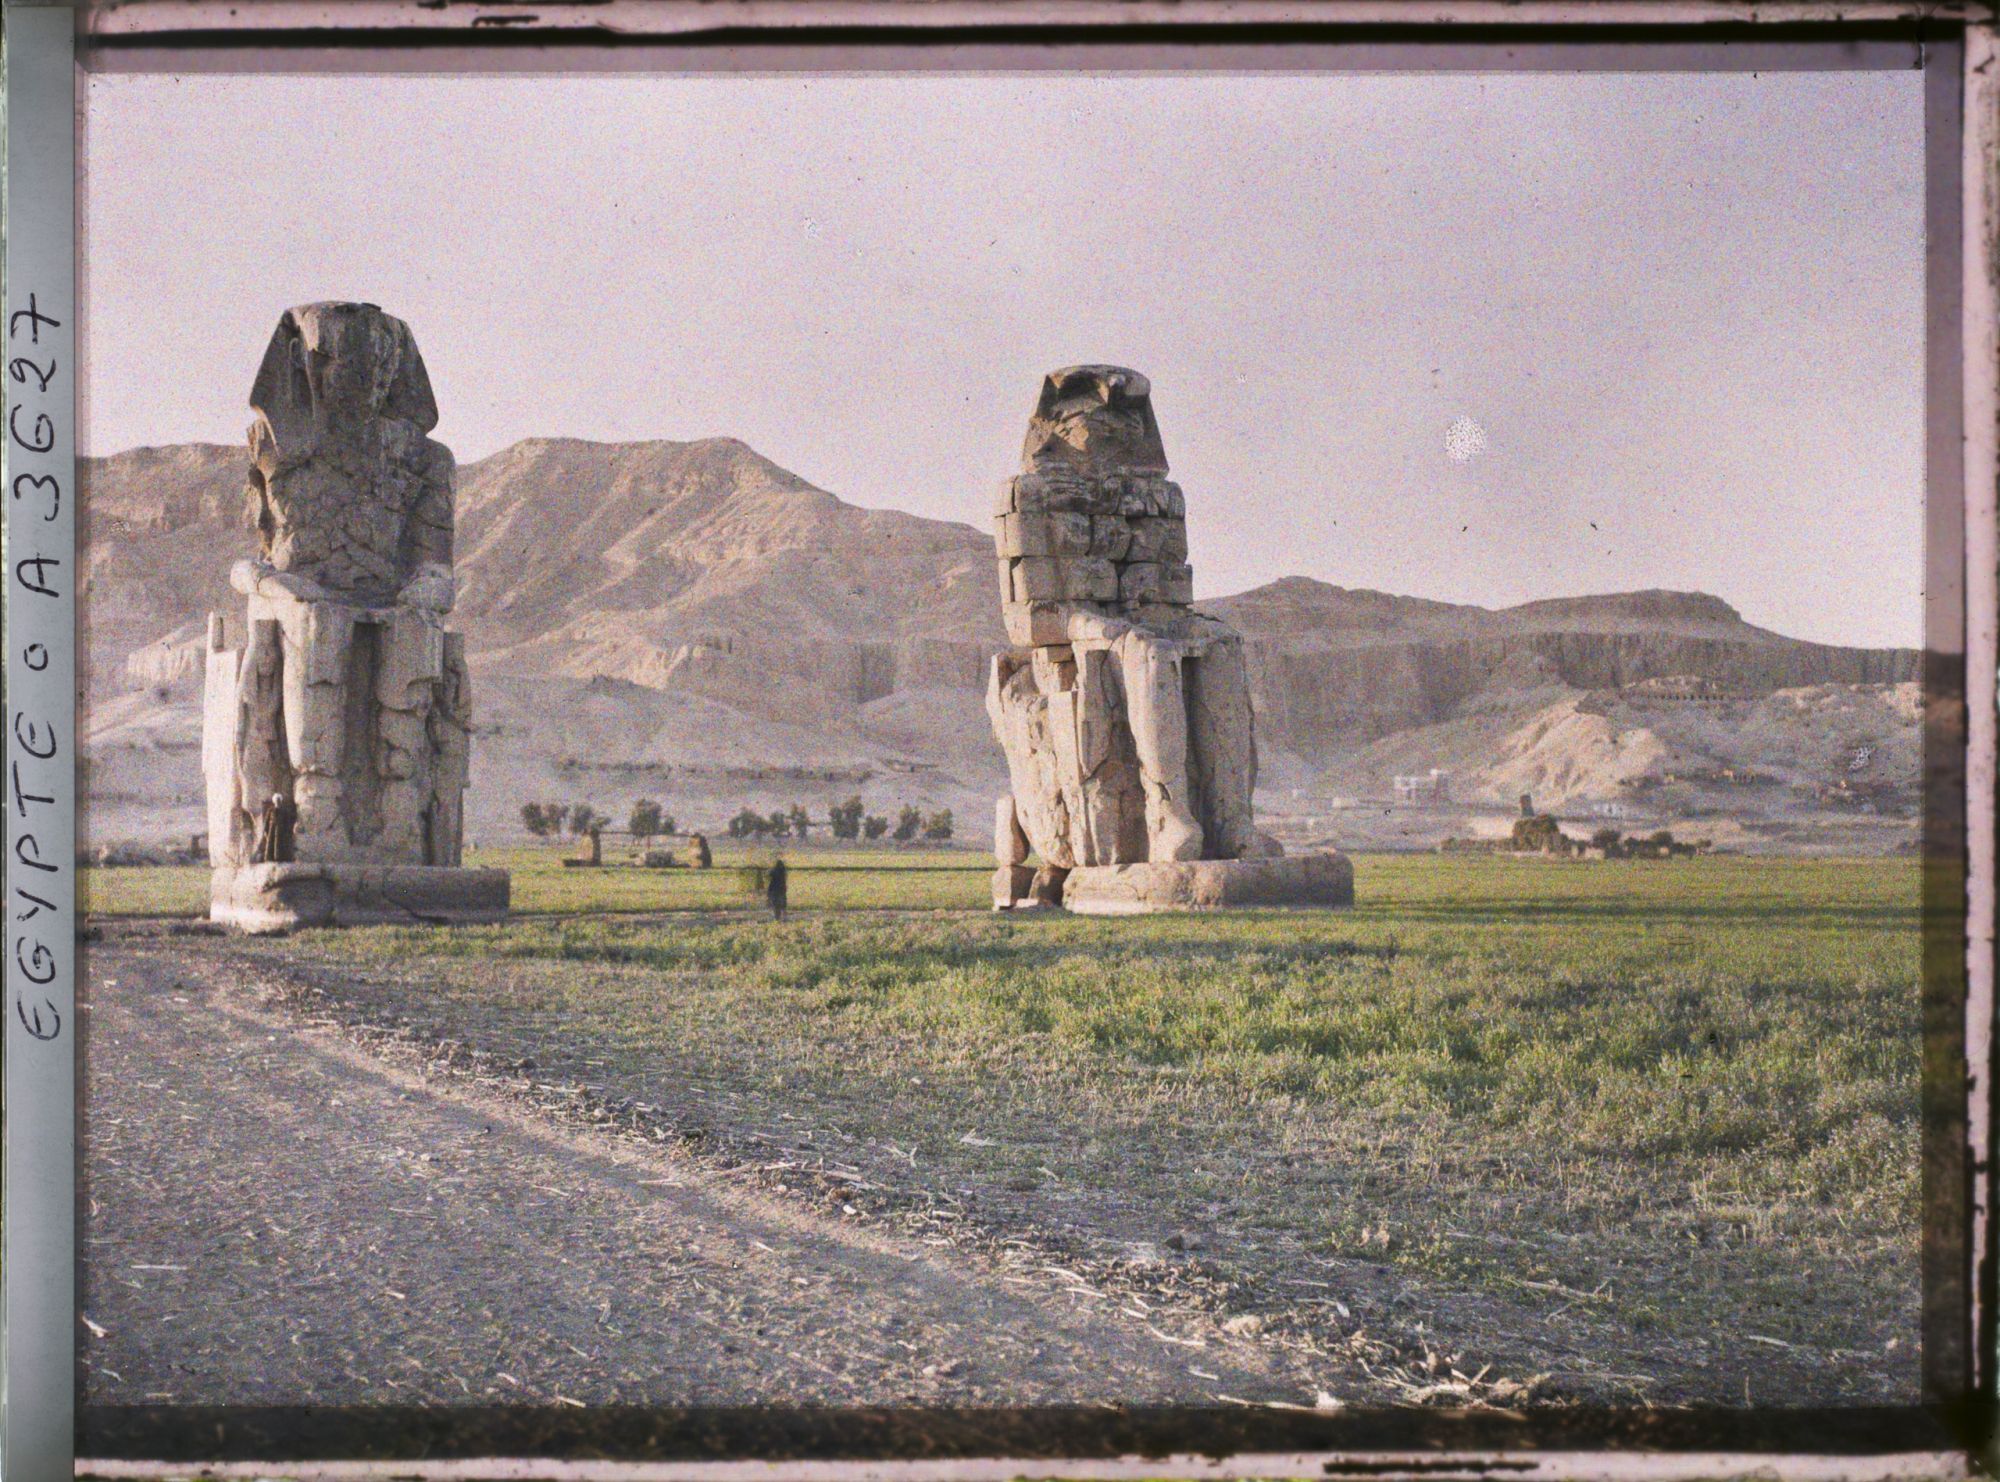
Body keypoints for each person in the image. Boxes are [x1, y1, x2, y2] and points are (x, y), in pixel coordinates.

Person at [766, 856, 788, 921]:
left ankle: (777, 917)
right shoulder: (783, 873)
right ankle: (782, 917)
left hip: (774, 890)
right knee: (781, 905)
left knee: (776, 905)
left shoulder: (774, 871)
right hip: (781, 890)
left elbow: (768, 874)